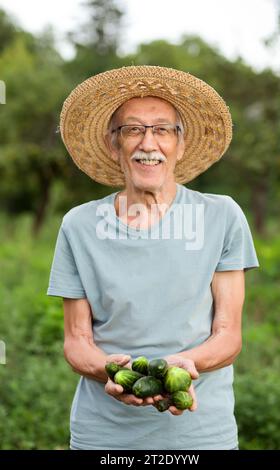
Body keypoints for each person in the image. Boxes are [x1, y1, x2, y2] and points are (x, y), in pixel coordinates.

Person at [46, 66, 259, 450]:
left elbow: (228, 334)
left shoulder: (222, 216)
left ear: (180, 142)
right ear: (114, 145)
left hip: (200, 435)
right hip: (104, 436)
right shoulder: (78, 225)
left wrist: (186, 365)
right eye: (133, 129)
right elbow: (77, 340)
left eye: (162, 129)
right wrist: (112, 371)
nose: (148, 143)